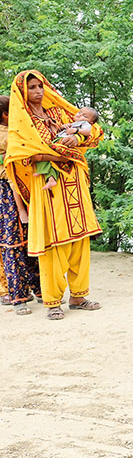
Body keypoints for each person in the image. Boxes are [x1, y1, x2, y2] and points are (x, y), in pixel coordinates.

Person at [5, 71, 103, 320]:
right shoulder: (22, 122)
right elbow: (22, 155)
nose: (38, 91)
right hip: (48, 186)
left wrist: (77, 138)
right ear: (22, 92)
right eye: (32, 87)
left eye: (40, 86)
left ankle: (78, 296)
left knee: (80, 240)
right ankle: (53, 301)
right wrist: (62, 154)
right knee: (54, 242)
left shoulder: (58, 113)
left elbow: (94, 131)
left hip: (75, 183)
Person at [0, 94, 42, 315]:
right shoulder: (9, 137)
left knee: (22, 242)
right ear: (7, 115)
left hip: (13, 190)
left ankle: (32, 291)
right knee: (16, 244)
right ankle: (20, 297)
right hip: (10, 193)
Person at [33, 106, 99, 190]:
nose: (80, 115)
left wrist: (76, 132)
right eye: (79, 112)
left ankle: (49, 173)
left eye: (84, 116)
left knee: (47, 154)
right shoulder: (72, 123)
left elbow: (88, 132)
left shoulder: (84, 124)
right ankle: (50, 177)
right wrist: (62, 127)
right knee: (50, 160)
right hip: (57, 141)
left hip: (64, 144)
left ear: (91, 122)